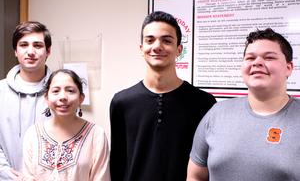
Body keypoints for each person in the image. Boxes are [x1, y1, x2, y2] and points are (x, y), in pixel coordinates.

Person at [109, 11, 216, 181]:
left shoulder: (204, 103)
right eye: (150, 40)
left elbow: (207, 165)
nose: (157, 46)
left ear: (178, 49)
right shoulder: (122, 102)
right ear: (141, 49)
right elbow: (117, 162)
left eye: (166, 40)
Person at [187, 28, 300, 181]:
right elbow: (196, 176)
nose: (257, 62)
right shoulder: (217, 113)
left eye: (269, 57)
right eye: (250, 58)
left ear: (289, 68)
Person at [22, 69, 110, 181]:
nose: (63, 97)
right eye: (55, 91)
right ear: (46, 98)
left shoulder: (96, 135)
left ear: (81, 98)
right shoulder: (33, 134)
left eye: (70, 91)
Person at [0, 21, 52, 180]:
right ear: (15, 51)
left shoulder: (61, 92)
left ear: (48, 51)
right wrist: (5, 171)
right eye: (23, 45)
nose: (31, 51)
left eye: (37, 45)